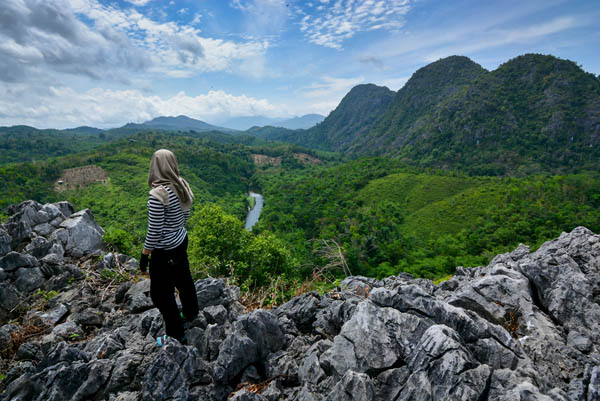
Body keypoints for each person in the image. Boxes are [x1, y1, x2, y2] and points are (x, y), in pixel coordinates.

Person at [139, 149, 199, 346]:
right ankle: (191, 313)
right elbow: (185, 216)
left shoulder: (158, 195)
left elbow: (154, 231)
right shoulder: (182, 185)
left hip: (165, 251)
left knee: (161, 295)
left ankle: (175, 334)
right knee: (183, 279)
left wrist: (145, 253)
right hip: (181, 240)